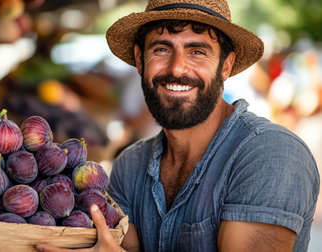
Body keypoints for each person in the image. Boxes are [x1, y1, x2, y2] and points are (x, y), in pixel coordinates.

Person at [35, 0, 320, 251]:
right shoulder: (130, 166)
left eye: (197, 52)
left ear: (225, 66)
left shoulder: (272, 155)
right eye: (161, 49)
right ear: (139, 60)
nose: (177, 68)